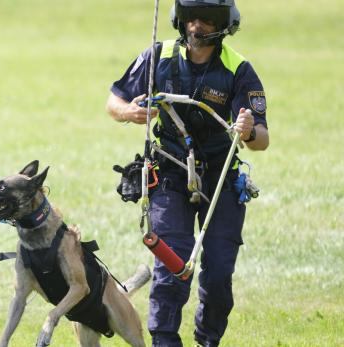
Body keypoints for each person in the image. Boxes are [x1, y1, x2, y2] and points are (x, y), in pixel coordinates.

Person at [106, 1, 269, 346]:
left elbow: (262, 140)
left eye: (207, 19)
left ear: (224, 25)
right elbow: (114, 101)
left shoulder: (239, 70)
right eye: (191, 17)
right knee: (172, 265)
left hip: (221, 178)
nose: (196, 25)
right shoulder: (158, 55)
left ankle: (208, 338)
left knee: (219, 274)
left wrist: (249, 129)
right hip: (169, 173)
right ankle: (165, 340)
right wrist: (129, 112)